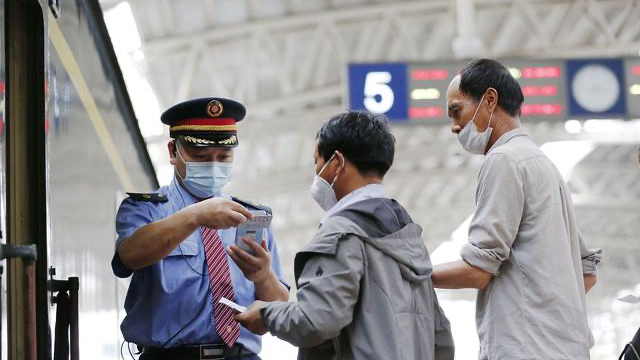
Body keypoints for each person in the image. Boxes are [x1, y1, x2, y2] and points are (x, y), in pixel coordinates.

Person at [235, 111, 455, 360]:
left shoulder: (341, 233)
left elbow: (317, 320)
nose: (317, 172)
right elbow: (440, 335)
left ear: (337, 163)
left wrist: (267, 314)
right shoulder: (408, 235)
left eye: (317, 162)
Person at [432, 59, 602, 360]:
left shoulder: (504, 161)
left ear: (490, 100)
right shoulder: (542, 165)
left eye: (457, 111)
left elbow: (478, 272)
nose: (454, 126)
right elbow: (587, 272)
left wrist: (412, 273)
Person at [111, 97, 289, 360]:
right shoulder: (145, 210)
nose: (213, 165)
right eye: (200, 156)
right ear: (173, 152)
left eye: (223, 156)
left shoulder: (251, 218)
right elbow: (129, 256)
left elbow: (279, 309)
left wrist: (263, 275)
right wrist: (195, 216)